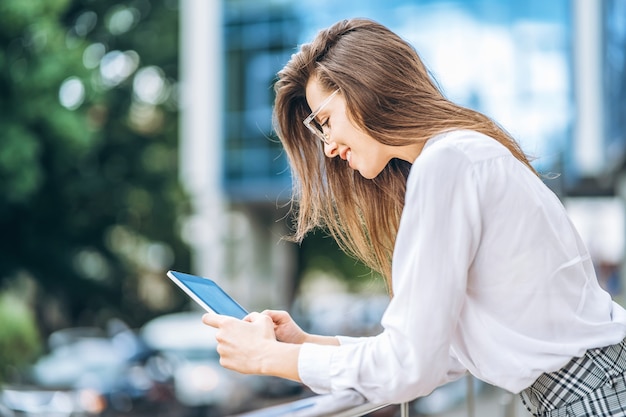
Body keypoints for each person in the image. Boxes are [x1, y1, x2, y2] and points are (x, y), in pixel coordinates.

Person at [202, 18, 626, 416]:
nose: (328, 147)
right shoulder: (459, 155)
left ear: (365, 87)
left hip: (593, 395)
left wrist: (270, 358)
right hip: (590, 387)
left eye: (325, 122)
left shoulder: (450, 162)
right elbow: (444, 351)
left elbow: (410, 366)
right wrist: (309, 343)